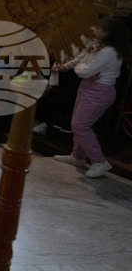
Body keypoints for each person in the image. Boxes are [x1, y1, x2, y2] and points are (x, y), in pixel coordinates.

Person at [52, 19, 130, 178]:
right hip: (88, 87)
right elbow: (82, 58)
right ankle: (78, 156)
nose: (94, 28)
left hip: (100, 90)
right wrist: (65, 66)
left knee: (80, 125)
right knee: (78, 122)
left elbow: (85, 72)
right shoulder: (96, 44)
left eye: (99, 27)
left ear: (107, 33)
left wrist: (82, 69)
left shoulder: (109, 51)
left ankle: (99, 161)